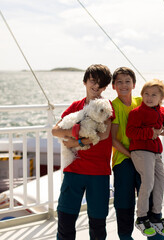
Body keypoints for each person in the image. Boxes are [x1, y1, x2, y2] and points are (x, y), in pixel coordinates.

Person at [52, 64, 115, 240]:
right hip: (74, 169)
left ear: (105, 87)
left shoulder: (106, 106)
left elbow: (103, 135)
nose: (96, 87)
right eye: (93, 81)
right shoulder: (75, 106)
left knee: (97, 224)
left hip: (98, 171)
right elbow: (55, 131)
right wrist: (75, 134)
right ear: (85, 81)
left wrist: (76, 141)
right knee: (65, 219)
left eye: (101, 84)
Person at [111, 67, 164, 240]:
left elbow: (161, 117)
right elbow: (113, 139)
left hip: (146, 155)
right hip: (124, 158)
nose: (124, 85)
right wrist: (130, 155)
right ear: (113, 85)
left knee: (151, 191)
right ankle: (125, 236)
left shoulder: (142, 101)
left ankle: (156, 234)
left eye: (127, 81)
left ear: (134, 84)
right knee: (125, 201)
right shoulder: (113, 106)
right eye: (119, 81)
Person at [126, 79, 164, 237]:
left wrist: (163, 131)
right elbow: (130, 132)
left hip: (155, 151)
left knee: (161, 181)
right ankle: (142, 217)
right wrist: (150, 133)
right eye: (146, 94)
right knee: (148, 181)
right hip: (141, 150)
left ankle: (156, 216)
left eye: (154, 95)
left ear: (161, 98)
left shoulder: (163, 112)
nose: (149, 97)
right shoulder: (137, 112)